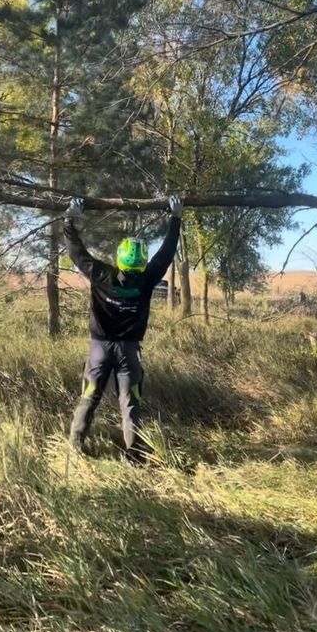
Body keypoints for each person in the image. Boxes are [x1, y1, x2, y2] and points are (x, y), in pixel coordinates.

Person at [63, 195, 183, 458]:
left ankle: (74, 447)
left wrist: (70, 219)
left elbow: (76, 252)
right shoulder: (147, 279)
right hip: (129, 351)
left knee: (90, 395)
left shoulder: (102, 274)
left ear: (119, 258)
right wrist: (175, 218)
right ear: (142, 262)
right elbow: (166, 253)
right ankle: (135, 455)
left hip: (99, 349)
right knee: (130, 404)